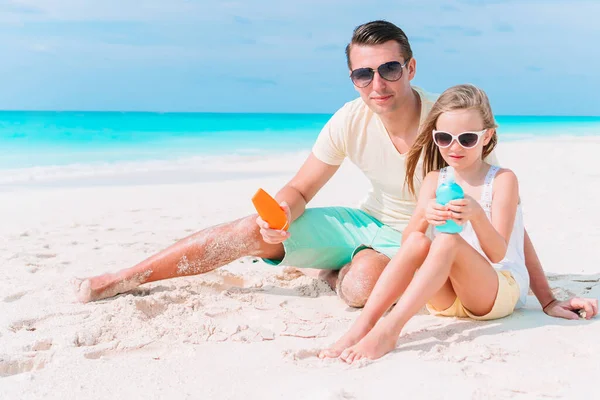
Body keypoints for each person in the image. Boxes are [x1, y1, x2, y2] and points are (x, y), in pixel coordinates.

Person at [73, 20, 595, 322]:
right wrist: (278, 214)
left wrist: (546, 297)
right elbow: (301, 186)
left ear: (410, 68)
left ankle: (339, 269)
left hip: (412, 241)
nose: (377, 84)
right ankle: (122, 278)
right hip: (361, 220)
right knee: (248, 230)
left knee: (362, 286)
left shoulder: (449, 126)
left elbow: (507, 214)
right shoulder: (350, 118)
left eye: (389, 69)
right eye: (363, 73)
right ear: (353, 78)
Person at [320, 84, 599, 363]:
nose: (454, 147)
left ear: (487, 136)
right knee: (420, 239)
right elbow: (409, 245)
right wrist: (423, 216)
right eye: (444, 138)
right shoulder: (434, 180)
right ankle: (363, 325)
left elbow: (504, 250)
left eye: (466, 139)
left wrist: (547, 300)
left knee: (448, 239)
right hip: (445, 300)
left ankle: (389, 331)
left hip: (494, 292)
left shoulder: (502, 180)